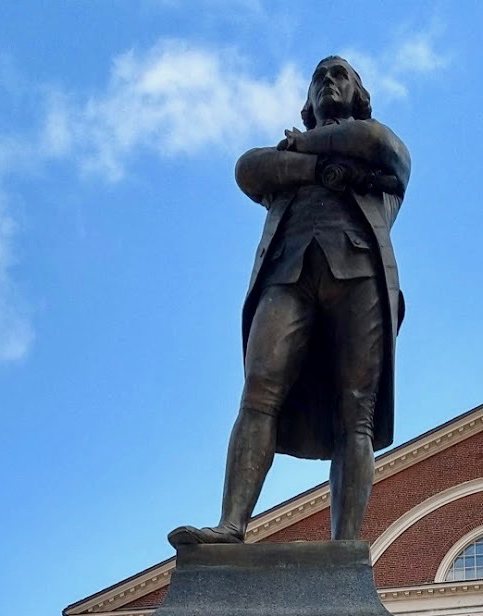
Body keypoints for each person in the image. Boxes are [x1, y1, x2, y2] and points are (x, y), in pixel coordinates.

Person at [168, 56, 410, 550]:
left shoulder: (376, 152)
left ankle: (346, 547)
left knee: (355, 414)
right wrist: (323, 168)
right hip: (287, 273)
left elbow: (378, 143)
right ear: (307, 102)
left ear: (359, 94)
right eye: (319, 76)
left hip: (359, 273)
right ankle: (231, 525)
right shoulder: (287, 164)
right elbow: (250, 168)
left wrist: (304, 147)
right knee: (258, 392)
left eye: (340, 74)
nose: (328, 80)